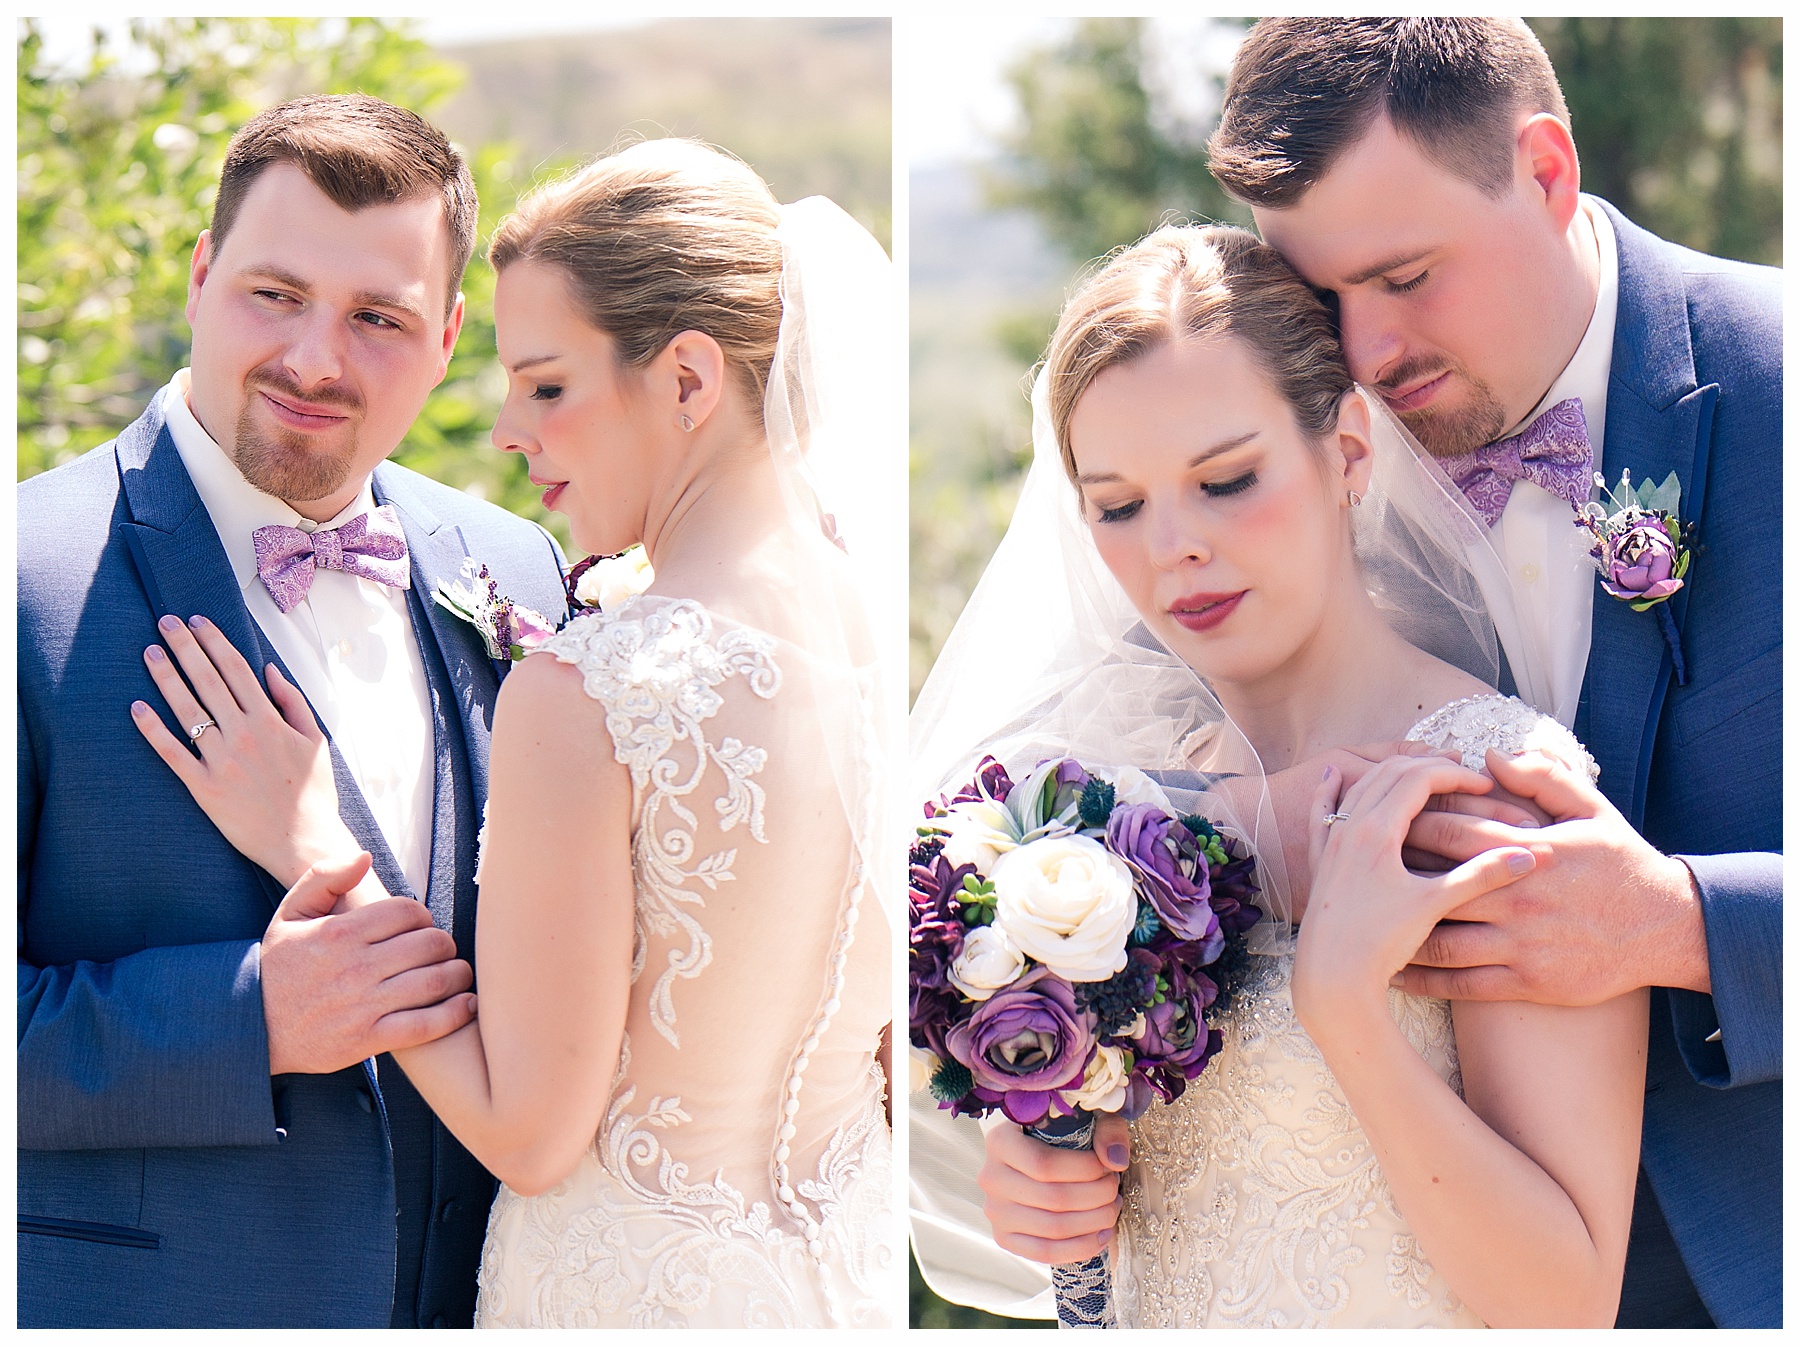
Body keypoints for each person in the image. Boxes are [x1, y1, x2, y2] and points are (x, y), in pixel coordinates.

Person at [962, 18, 1781, 1330]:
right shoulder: (1148, 724)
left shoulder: (1775, 389)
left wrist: (1682, 922)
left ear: (1548, 171)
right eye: (1324, 293)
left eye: (1405, 274)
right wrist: (1050, 1155)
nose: (1369, 347)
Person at [128, 140, 904, 1328]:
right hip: (831, 1289)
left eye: (546, 384)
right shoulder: (868, 630)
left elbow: (532, 1134)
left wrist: (314, 842)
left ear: (688, 379)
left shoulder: (593, 686)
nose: (504, 428)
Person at [913, 221, 1650, 1327]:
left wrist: (1346, 1010)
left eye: (1225, 478)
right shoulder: (1103, 812)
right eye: (1118, 504)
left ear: (1349, 451)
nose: (1174, 546)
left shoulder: (1487, 784)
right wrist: (1049, 1170)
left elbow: (1568, 1300)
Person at [18, 96, 567, 1327]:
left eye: (379, 317)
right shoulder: (24, 581)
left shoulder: (517, 569)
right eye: (276, 294)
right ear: (203, 274)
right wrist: (244, 1013)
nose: (319, 359)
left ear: (448, 337)